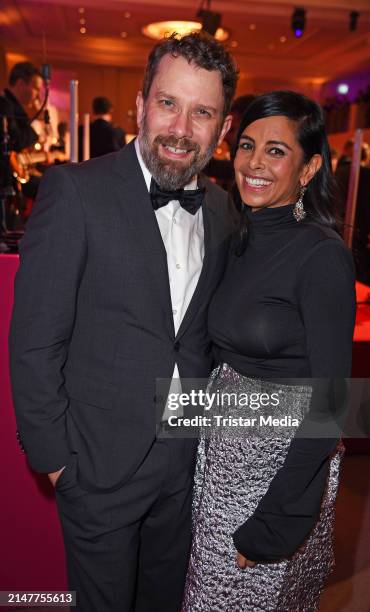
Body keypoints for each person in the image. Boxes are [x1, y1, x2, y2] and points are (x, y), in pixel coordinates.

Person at [9, 32, 238, 612]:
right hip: (96, 468)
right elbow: (34, 344)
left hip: (184, 466)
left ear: (222, 128)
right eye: (168, 103)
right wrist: (58, 464)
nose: (181, 128)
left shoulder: (220, 209)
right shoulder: (75, 192)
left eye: (202, 112)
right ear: (140, 106)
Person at [182, 91, 356, 610]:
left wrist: (275, 522)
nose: (255, 163)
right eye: (247, 146)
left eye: (276, 151)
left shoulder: (322, 256)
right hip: (219, 463)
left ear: (309, 168)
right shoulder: (238, 236)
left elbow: (329, 405)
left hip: (274, 478)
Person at [336, 139, 370, 285]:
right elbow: (369, 203)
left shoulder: (339, 171)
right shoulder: (366, 173)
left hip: (339, 224)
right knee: (358, 269)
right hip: (358, 227)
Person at [0, 61, 44, 199]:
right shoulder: (5, 106)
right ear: (20, 84)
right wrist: (37, 127)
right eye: (36, 88)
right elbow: (16, 141)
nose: (37, 96)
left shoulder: (11, 106)